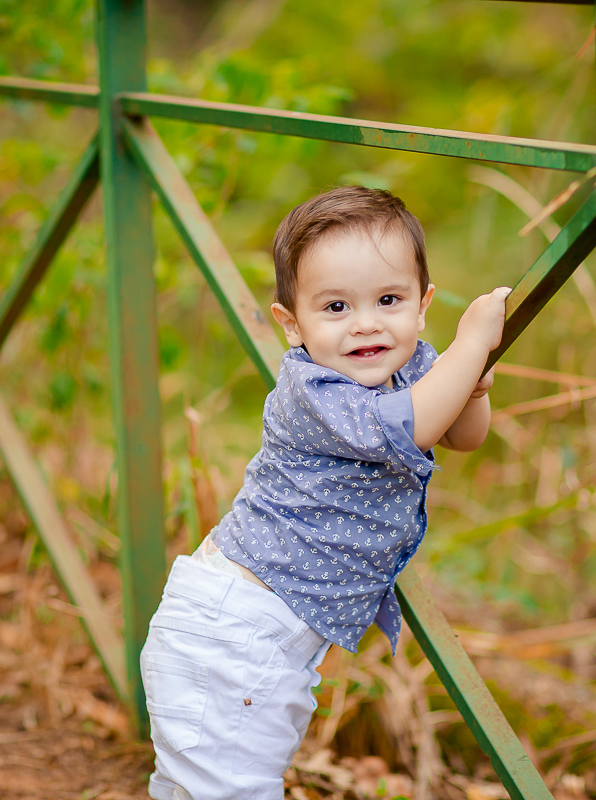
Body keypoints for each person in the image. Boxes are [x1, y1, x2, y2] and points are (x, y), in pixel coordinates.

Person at [140, 185, 509, 800]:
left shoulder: (413, 364)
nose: (366, 323)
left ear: (422, 305)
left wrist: (471, 384)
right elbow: (416, 425)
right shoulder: (312, 392)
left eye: (388, 299)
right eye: (335, 307)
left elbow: (461, 436)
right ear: (292, 323)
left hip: (267, 644)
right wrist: (470, 344)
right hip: (232, 634)